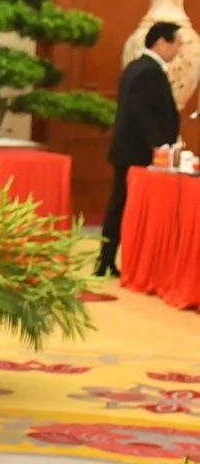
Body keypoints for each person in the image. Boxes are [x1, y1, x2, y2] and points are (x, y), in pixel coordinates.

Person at [97, 20, 184, 278]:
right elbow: (141, 113)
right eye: (177, 43)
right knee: (125, 207)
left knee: (120, 205)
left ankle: (107, 260)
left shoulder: (137, 66)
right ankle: (108, 262)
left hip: (129, 149)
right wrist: (161, 146)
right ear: (161, 42)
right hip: (137, 152)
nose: (179, 49)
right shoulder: (149, 71)